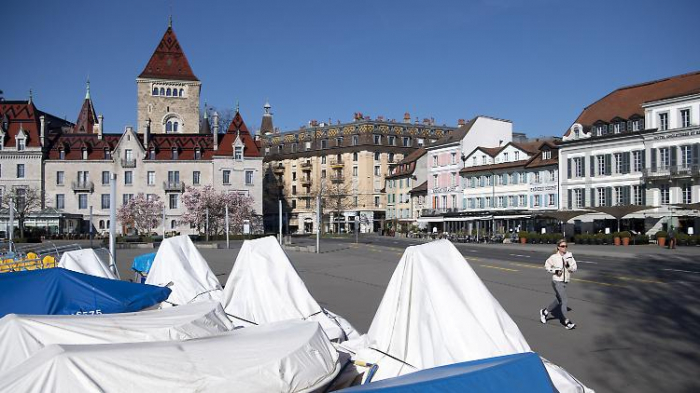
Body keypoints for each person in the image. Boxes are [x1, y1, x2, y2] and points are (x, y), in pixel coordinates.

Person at [540, 239, 578, 330]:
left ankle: (545, 312)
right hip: (556, 281)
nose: (564, 248)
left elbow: (574, 268)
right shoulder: (554, 257)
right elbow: (546, 266)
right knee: (564, 300)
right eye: (562, 246)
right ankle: (566, 322)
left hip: (565, 282)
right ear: (558, 247)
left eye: (566, 246)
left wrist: (568, 266)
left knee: (559, 300)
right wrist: (555, 271)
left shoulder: (569, 256)